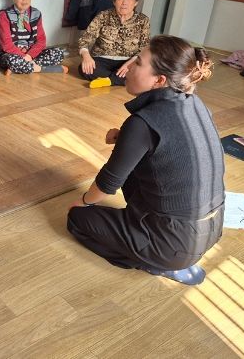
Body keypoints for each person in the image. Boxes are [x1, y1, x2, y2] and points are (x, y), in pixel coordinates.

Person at [67, 35, 224, 285]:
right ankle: (156, 248)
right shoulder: (195, 104)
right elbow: (172, 144)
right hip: (212, 229)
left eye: (138, 63)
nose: (128, 67)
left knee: (78, 220)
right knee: (138, 167)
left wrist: (83, 202)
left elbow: (108, 183)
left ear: (159, 80)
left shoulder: (142, 123)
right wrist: (125, 140)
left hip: (174, 245)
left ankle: (153, 262)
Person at [78, 0, 150, 88]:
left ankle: (108, 81)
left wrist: (130, 63)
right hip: (102, 59)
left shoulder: (143, 20)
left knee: (142, 72)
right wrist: (86, 56)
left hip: (129, 61)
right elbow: (85, 39)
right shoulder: (103, 16)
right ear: (114, 1)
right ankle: (117, 79)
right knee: (84, 69)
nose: (124, 2)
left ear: (136, 2)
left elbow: (144, 48)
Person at [0, 0, 67, 75]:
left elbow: (41, 40)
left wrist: (29, 55)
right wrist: (23, 56)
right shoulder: (4, 15)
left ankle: (20, 68)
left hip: (31, 54)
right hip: (11, 54)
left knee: (58, 53)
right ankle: (41, 69)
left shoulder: (36, 13)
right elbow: (6, 45)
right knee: (11, 60)